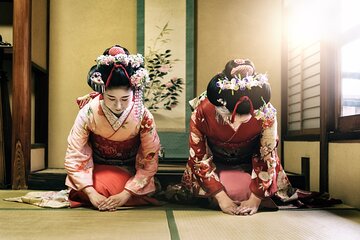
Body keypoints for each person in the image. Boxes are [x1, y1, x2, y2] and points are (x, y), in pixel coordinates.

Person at [167, 58, 303, 216]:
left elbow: (267, 155)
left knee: (244, 191)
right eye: (234, 113)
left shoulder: (266, 112)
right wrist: (221, 198)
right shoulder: (202, 110)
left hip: (252, 163)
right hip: (214, 163)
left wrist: (255, 199)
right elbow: (199, 157)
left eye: (245, 114)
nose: (238, 120)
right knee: (226, 192)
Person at [64, 45, 161, 211]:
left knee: (125, 188)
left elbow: (149, 158)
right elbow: (75, 154)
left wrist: (126, 194)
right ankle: (97, 194)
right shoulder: (88, 112)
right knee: (96, 188)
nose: (118, 105)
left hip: (130, 171)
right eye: (111, 98)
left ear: (134, 91)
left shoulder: (143, 115)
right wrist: (91, 193)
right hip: (96, 168)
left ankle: (124, 195)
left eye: (125, 99)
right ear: (102, 91)